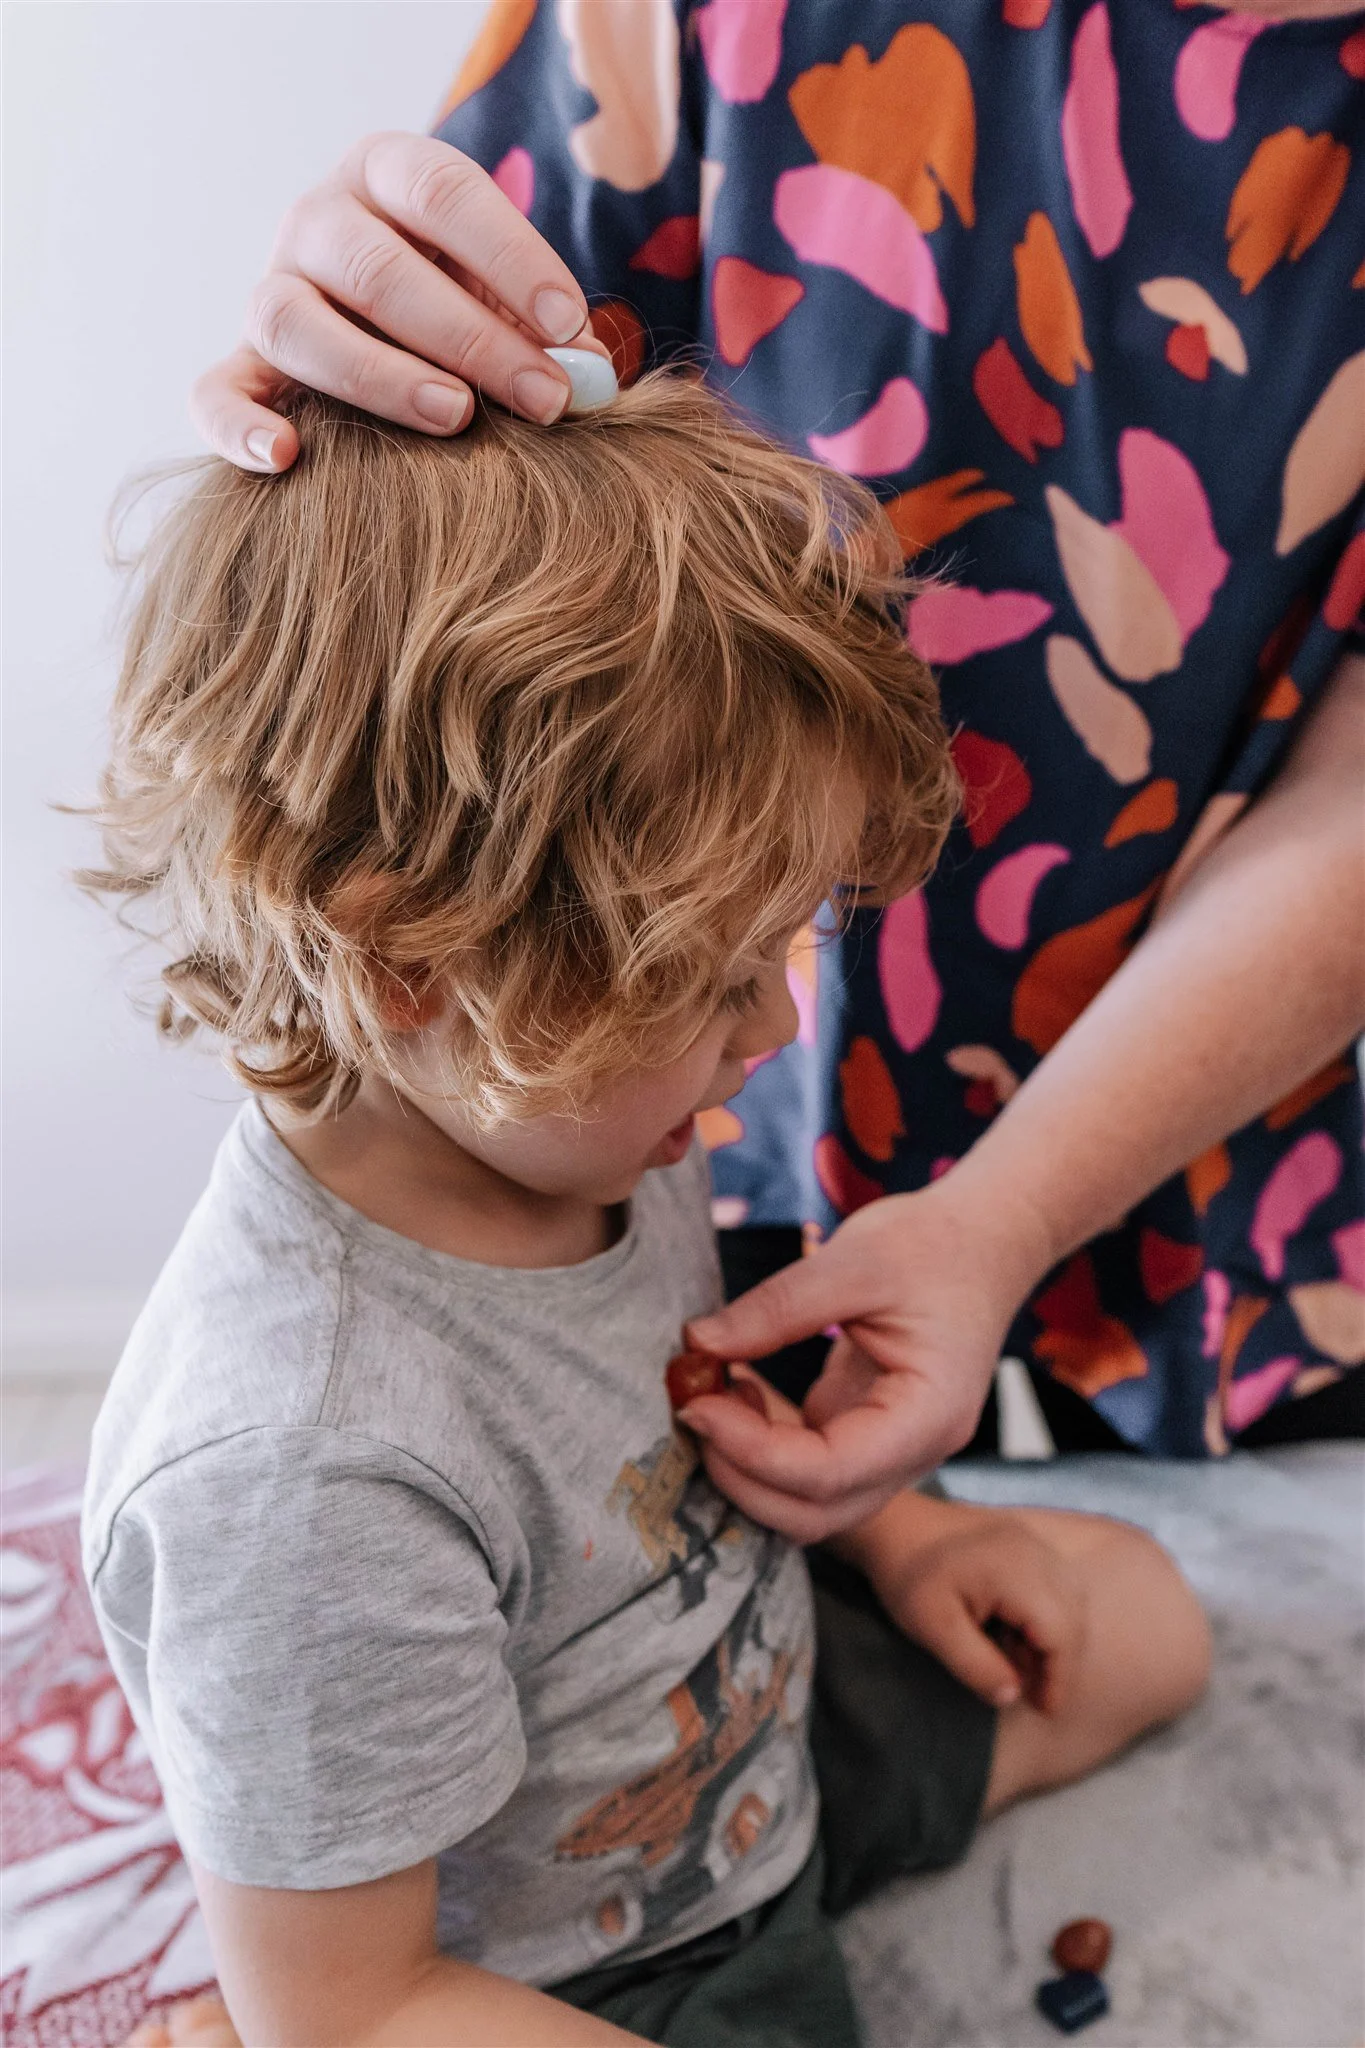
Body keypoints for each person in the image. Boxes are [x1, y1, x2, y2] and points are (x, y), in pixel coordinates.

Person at [83, 381, 1207, 2048]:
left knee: (1145, 1631)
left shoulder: (576, 1117)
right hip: (572, 1965)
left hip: (749, 1722)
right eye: (709, 972)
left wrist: (906, 1537)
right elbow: (363, 2005)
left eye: (787, 940)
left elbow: (672, 1419)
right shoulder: (298, 1469)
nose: (776, 1029)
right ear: (413, 963)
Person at [190, 1, 1365, 1541]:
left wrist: (997, 1231)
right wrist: (358, 336)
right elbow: (439, 443)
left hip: (1214, 1194)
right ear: (395, 940)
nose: (784, 998)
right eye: (755, 951)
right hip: (660, 1127)